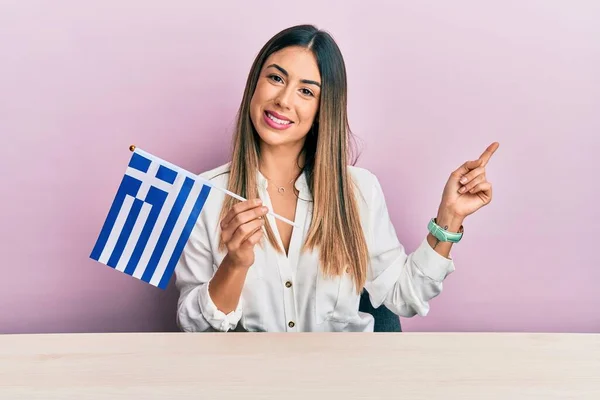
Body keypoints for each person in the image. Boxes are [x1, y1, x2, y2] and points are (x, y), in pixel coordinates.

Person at [174, 24, 499, 332]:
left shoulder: (359, 191)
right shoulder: (206, 195)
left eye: (306, 91)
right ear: (255, 85)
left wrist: (450, 217)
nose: (284, 101)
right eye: (276, 78)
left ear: (322, 109)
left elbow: (403, 296)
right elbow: (194, 327)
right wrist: (235, 263)